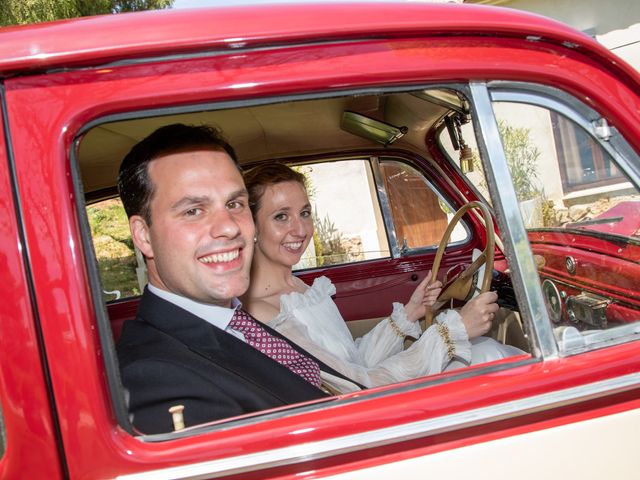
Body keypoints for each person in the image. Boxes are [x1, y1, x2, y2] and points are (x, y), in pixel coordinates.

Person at [116, 124, 360, 435]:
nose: (230, 227)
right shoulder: (155, 379)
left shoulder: (233, 318)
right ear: (144, 236)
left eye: (234, 204)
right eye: (193, 210)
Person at [241, 163, 524, 390]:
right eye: (281, 217)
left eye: (304, 213)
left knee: (485, 350)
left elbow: (351, 361)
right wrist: (454, 329)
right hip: (369, 411)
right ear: (250, 226)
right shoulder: (267, 315)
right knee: (491, 358)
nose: (300, 229)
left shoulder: (299, 288)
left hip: (372, 392)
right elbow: (357, 386)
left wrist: (411, 312)